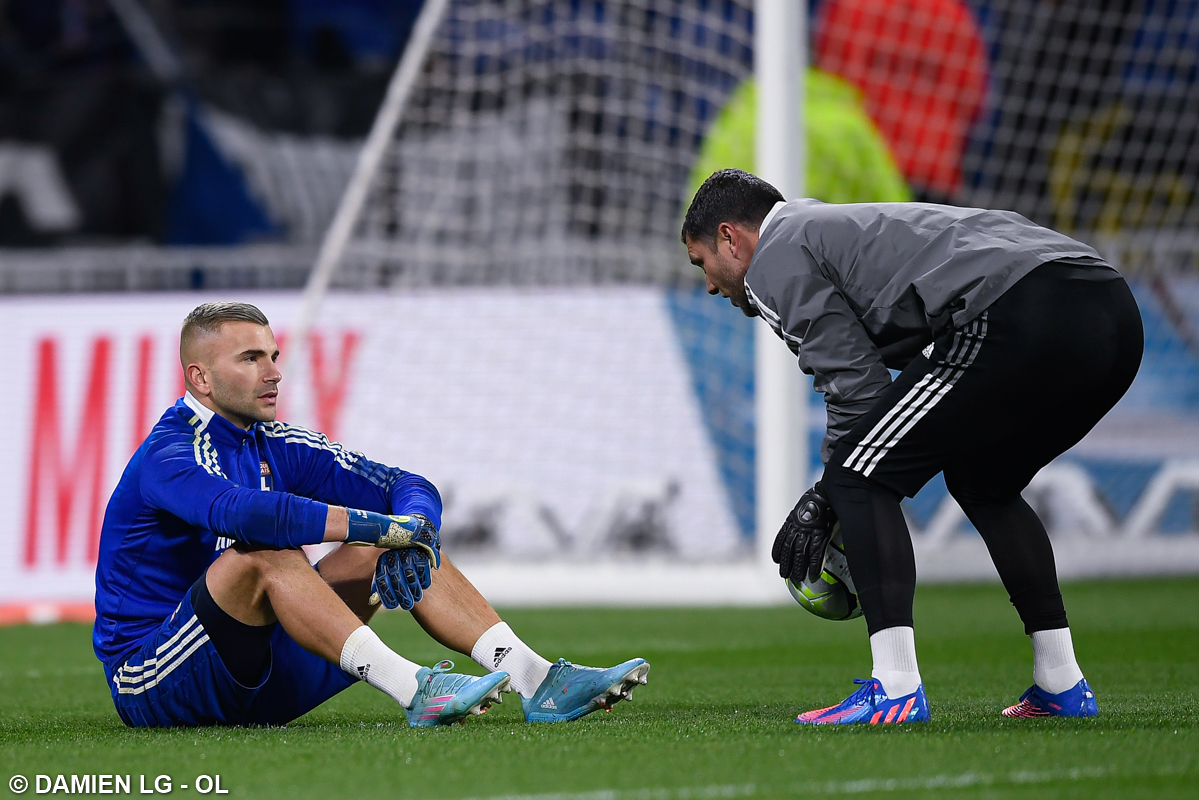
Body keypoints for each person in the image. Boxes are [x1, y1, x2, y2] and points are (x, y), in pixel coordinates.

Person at [682, 169, 1142, 725]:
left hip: (1020, 308)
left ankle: (896, 686)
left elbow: (858, 390)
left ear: (730, 238)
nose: (709, 285)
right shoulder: (829, 226)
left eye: (701, 262)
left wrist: (827, 496)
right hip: (1111, 308)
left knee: (857, 477)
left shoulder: (773, 260)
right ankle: (1061, 683)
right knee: (982, 481)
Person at [94, 302, 649, 729]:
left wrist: (413, 532)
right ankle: (415, 690)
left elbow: (406, 485)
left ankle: (536, 679)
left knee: (394, 543)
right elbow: (247, 516)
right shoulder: (167, 455)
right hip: (154, 680)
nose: (273, 373)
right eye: (250, 358)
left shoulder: (276, 441)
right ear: (200, 379)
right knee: (264, 551)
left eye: (274, 356)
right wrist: (374, 525)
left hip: (260, 670)